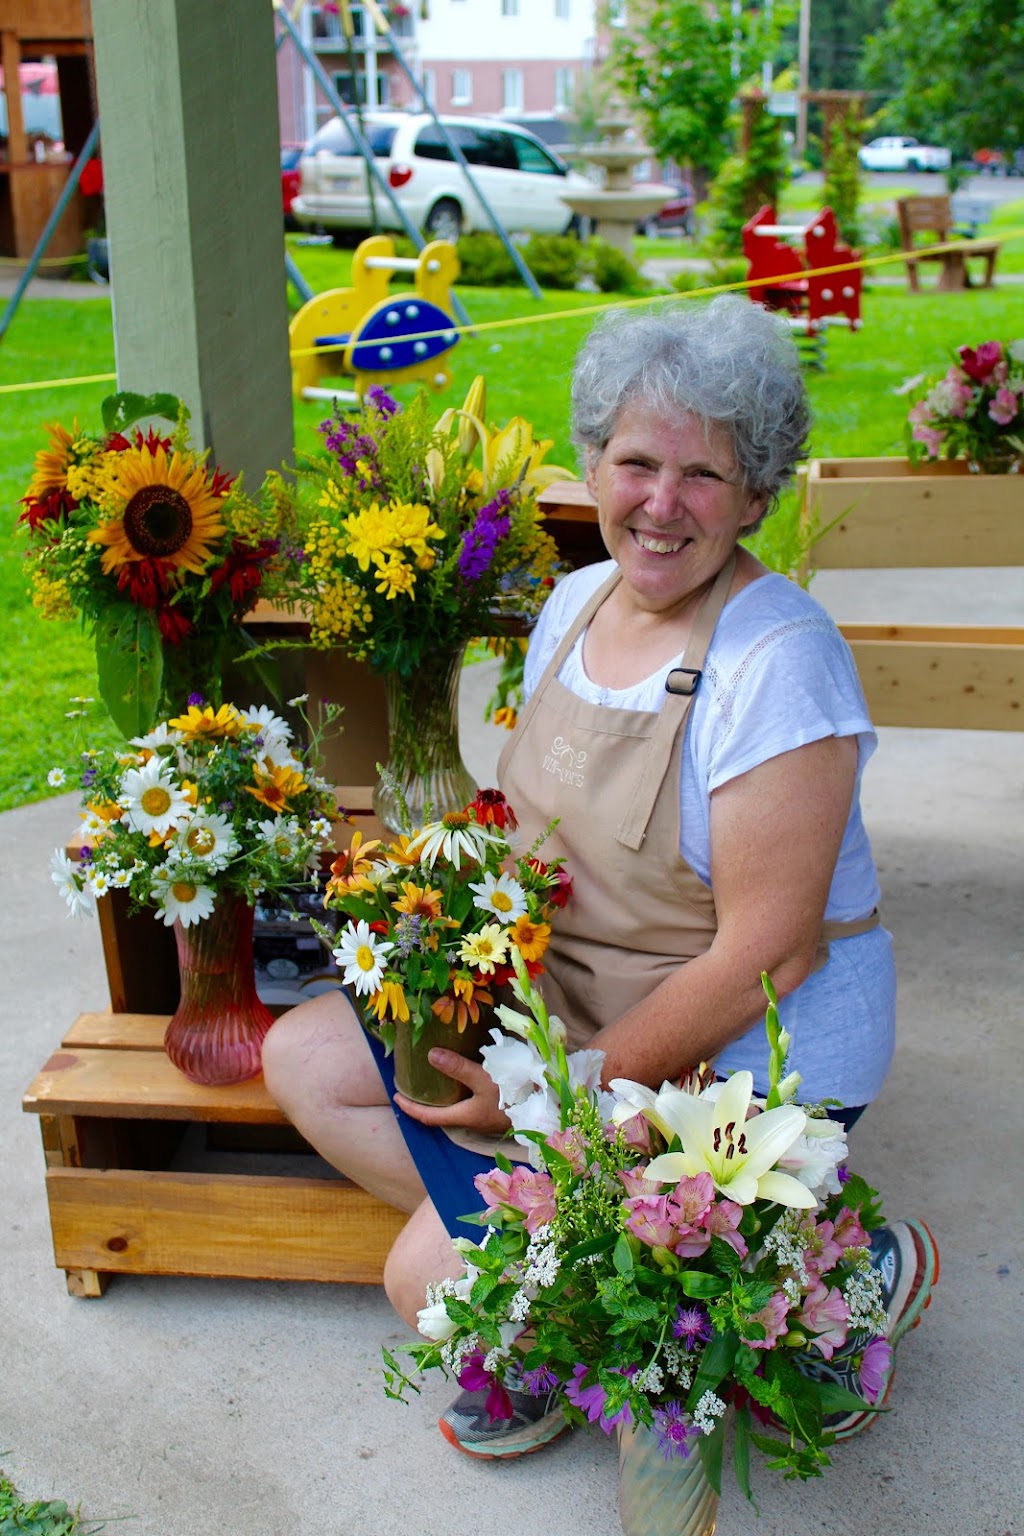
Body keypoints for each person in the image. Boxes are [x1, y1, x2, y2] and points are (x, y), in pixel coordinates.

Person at [261, 295, 937, 1461]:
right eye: (634, 462)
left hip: (735, 1049)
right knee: (306, 1058)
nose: (661, 504)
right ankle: (572, 1275)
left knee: (418, 1283)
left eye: (704, 476)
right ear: (591, 461)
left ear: (759, 494)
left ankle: (832, 1272)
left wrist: (562, 1097)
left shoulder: (777, 661)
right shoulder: (574, 605)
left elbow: (769, 957)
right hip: (573, 999)